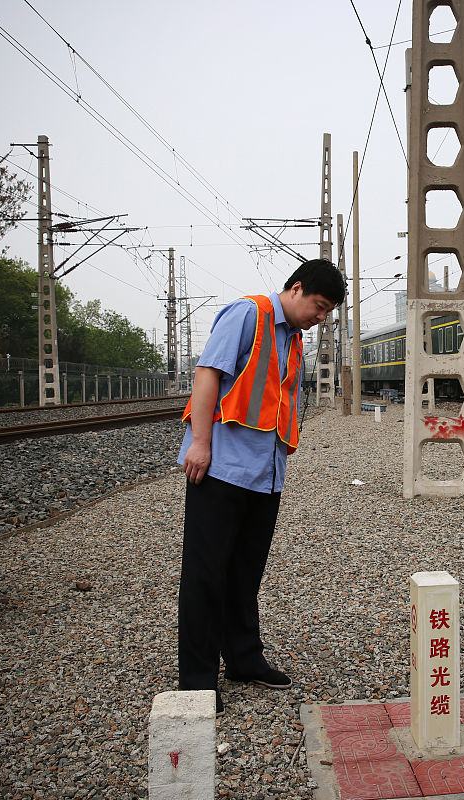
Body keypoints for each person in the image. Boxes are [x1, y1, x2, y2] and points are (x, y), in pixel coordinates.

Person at [177, 258, 345, 714]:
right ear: (296, 289)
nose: (321, 317)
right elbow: (208, 373)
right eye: (319, 305)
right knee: (205, 575)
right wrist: (200, 444)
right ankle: (195, 680)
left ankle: (244, 660)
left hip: (264, 477)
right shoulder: (248, 314)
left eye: (328, 311)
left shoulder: (293, 340)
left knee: (245, 574)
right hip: (220, 469)